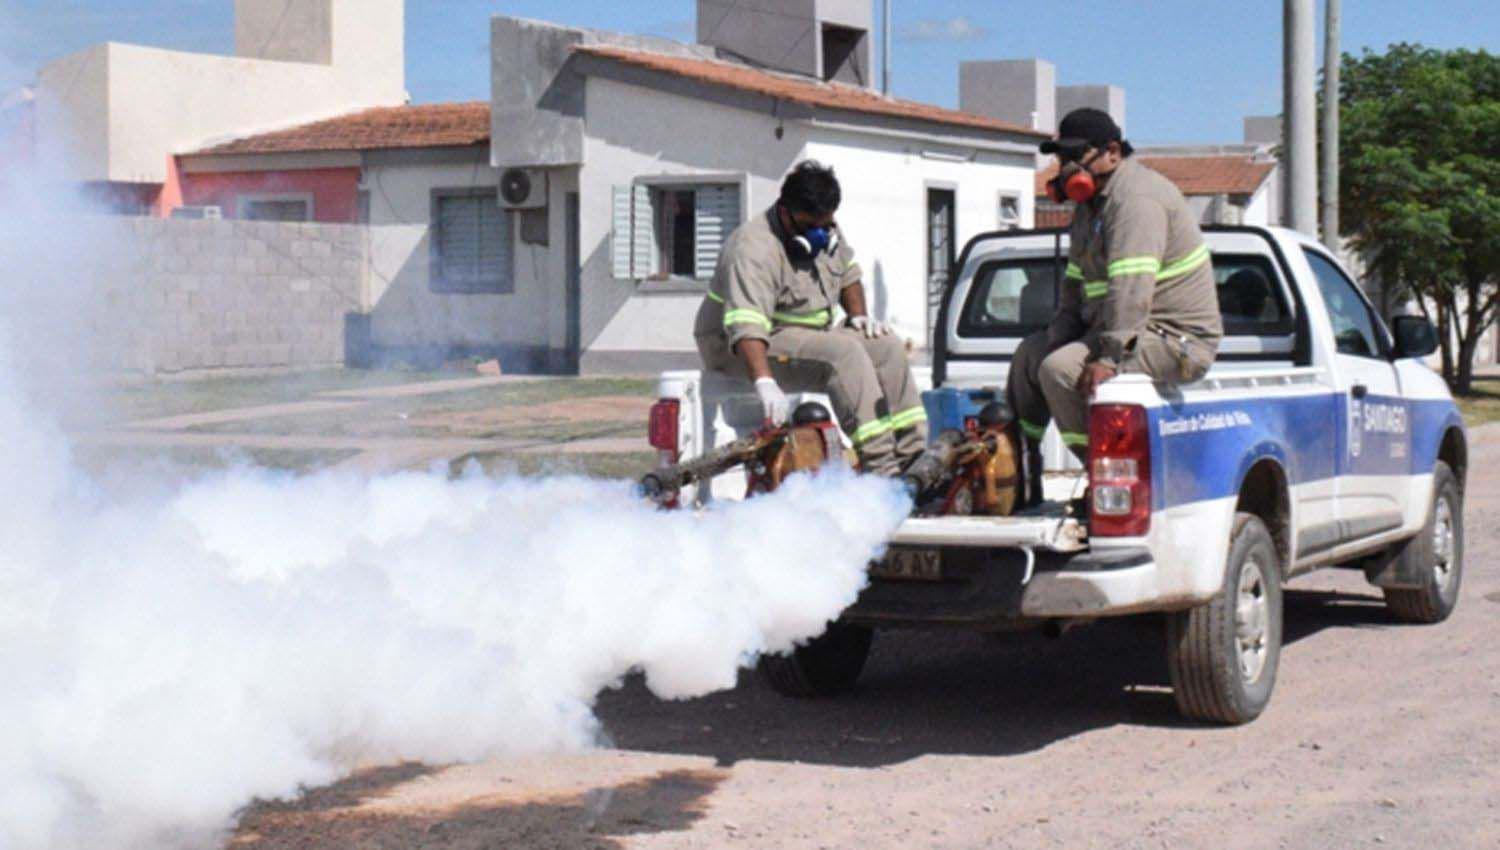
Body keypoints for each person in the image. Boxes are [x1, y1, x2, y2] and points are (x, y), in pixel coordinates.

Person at [1008, 108, 1223, 462]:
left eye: (1076, 156)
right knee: (1031, 357)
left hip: (1173, 339)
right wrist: (1056, 337)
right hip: (1123, 330)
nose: (1066, 168)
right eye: (1063, 157)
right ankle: (1018, 466)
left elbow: (1131, 289)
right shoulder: (1089, 208)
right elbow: (1075, 286)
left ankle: (1107, 477)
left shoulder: (1136, 201)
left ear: (1113, 152)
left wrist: (1110, 357)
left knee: (1060, 369)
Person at [693, 161, 928, 476]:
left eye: (826, 223)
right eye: (808, 226)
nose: (818, 233)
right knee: (843, 354)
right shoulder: (753, 248)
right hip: (740, 345)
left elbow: (847, 273)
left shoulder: (824, 228)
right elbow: (746, 324)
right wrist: (764, 381)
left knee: (885, 344)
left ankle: (914, 455)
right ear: (785, 211)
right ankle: (883, 468)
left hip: (804, 335)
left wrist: (859, 318)